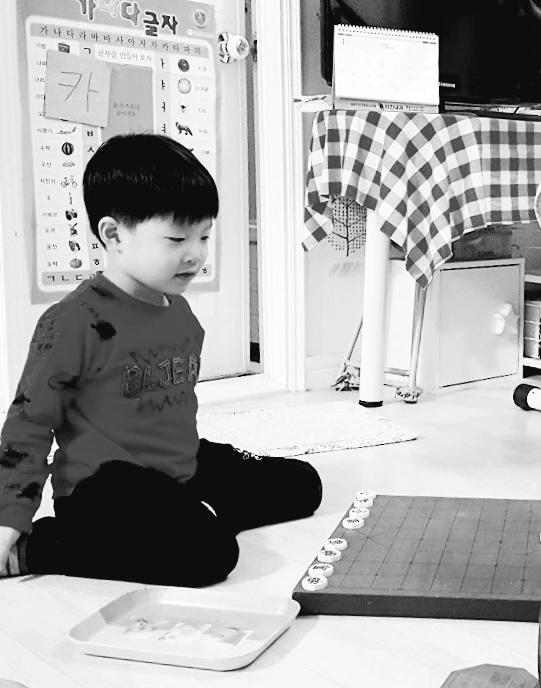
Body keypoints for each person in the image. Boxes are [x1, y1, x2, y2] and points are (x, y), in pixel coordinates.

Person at [0, 134, 322, 586]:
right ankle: (44, 546)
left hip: (178, 469)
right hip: (105, 488)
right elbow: (28, 426)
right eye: (176, 238)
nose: (196, 254)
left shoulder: (181, 312)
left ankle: (192, 512)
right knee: (210, 553)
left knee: (304, 485)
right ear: (114, 235)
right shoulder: (72, 321)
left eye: (204, 235)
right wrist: (10, 519)